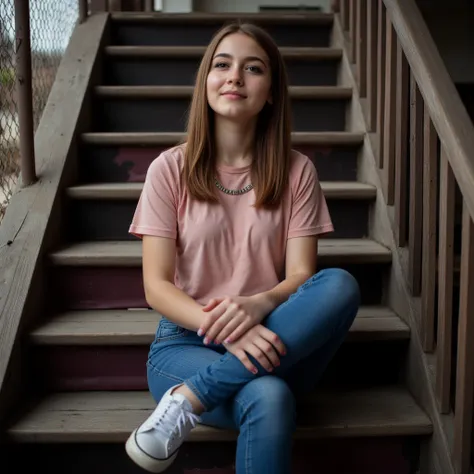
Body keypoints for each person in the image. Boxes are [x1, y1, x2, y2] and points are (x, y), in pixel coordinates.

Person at [125, 21, 360, 474]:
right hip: (184, 341)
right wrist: (230, 330)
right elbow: (156, 287)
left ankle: (189, 399)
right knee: (269, 395)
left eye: (253, 68)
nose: (234, 77)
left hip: (277, 335)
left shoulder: (297, 172)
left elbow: (301, 276)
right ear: (206, 82)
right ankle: (195, 387)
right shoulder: (168, 170)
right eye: (222, 65)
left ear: (270, 91)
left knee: (339, 284)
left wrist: (259, 304)